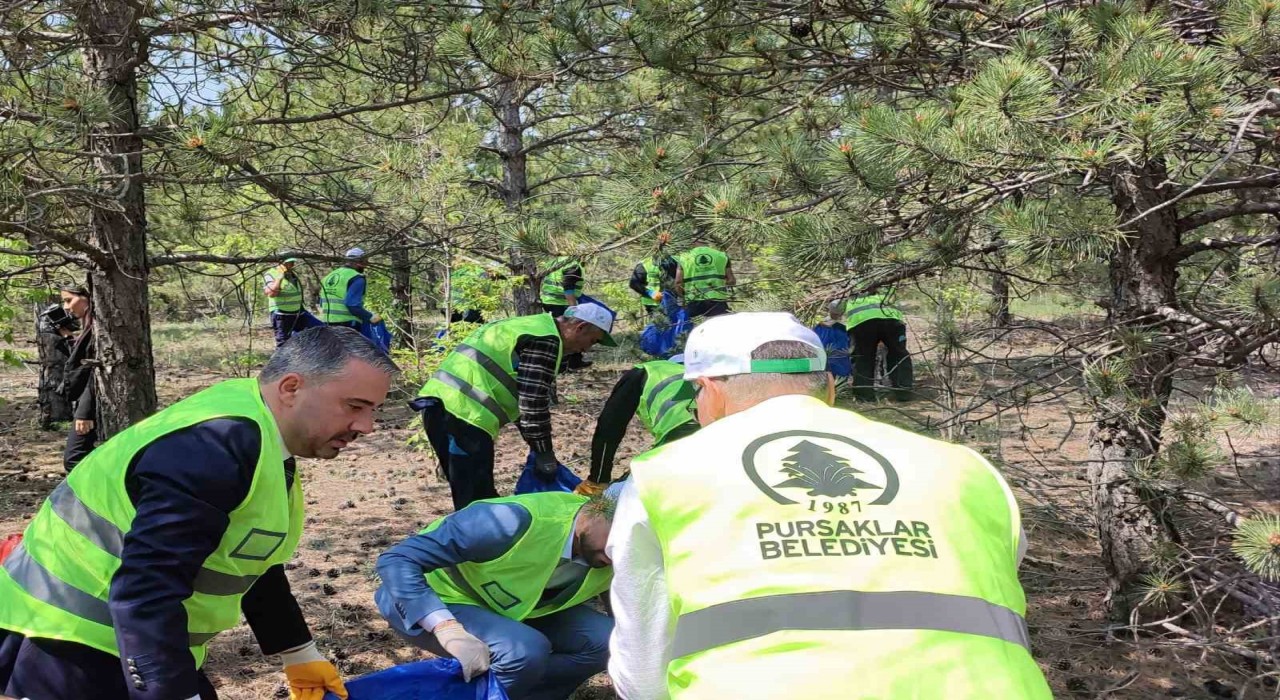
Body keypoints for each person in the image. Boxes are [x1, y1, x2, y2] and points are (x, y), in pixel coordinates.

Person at [607, 312, 1051, 699]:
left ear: (711, 391)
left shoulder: (665, 474)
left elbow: (644, 667)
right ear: (830, 388)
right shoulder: (964, 467)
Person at [0, 326, 398, 700]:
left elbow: (242, 557)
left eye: (373, 410)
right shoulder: (214, 449)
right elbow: (145, 591)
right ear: (291, 387)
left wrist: (296, 650)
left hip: (121, 637)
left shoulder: (258, 429)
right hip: (69, 641)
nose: (367, 426)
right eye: (354, 406)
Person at [374, 490, 618, 700]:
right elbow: (398, 559)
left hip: (513, 608)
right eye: (616, 540)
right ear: (595, 511)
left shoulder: (623, 554)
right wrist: (446, 627)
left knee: (609, 640)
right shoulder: (511, 521)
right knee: (522, 652)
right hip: (435, 597)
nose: (618, 555)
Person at [412, 303, 617, 510]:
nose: (586, 349)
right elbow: (532, 403)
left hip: (437, 405)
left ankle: (478, 538)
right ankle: (478, 541)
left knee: (470, 495)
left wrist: (535, 445)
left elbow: (520, 397)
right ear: (579, 327)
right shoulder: (546, 340)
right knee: (477, 504)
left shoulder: (528, 326)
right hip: (466, 416)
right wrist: (544, 453)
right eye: (592, 341)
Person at [578, 358, 698, 496]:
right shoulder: (702, 379)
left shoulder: (645, 372)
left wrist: (597, 479)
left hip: (680, 431)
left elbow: (608, 429)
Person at [845, 289, 913, 402]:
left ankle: (864, 397)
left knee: (863, 358)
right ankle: (903, 393)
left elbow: (836, 307)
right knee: (899, 355)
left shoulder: (851, 284)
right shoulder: (886, 278)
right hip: (891, 319)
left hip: (861, 321)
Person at [57, 284, 97, 471]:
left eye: (68, 300)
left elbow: (94, 371)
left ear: (86, 297)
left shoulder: (98, 327)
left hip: (90, 403)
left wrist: (84, 413)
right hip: (88, 401)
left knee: (74, 459)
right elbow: (82, 360)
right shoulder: (90, 324)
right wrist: (67, 336)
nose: (66, 307)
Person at [539, 257, 590, 370]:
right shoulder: (573, 265)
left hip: (548, 300)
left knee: (559, 332)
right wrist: (573, 307)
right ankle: (566, 365)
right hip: (561, 303)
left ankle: (574, 361)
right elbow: (568, 288)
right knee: (568, 333)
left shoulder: (556, 259)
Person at [320, 248, 379, 329]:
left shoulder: (328, 276)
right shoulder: (357, 278)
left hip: (327, 323)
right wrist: (370, 317)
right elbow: (352, 306)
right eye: (365, 261)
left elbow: (321, 303)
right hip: (348, 325)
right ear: (359, 261)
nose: (366, 265)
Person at [674, 244, 734, 320]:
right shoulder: (721, 255)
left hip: (693, 301)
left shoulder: (684, 258)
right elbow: (731, 280)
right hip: (717, 301)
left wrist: (682, 298)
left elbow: (678, 282)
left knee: (693, 330)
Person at [264, 255, 311, 347]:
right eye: (289, 263)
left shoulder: (292, 274)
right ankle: (281, 361)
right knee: (283, 345)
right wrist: (279, 278)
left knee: (304, 340)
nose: (292, 265)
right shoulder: (271, 274)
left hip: (297, 313)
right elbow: (271, 293)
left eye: (293, 262)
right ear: (280, 263)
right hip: (281, 315)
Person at [811, 299, 851, 391]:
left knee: (839, 371)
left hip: (838, 356)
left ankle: (837, 388)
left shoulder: (844, 326)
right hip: (831, 355)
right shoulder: (822, 325)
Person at [629, 253, 679, 319]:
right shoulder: (644, 265)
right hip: (653, 305)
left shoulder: (673, 262)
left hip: (672, 301)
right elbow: (634, 284)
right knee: (662, 325)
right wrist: (650, 293)